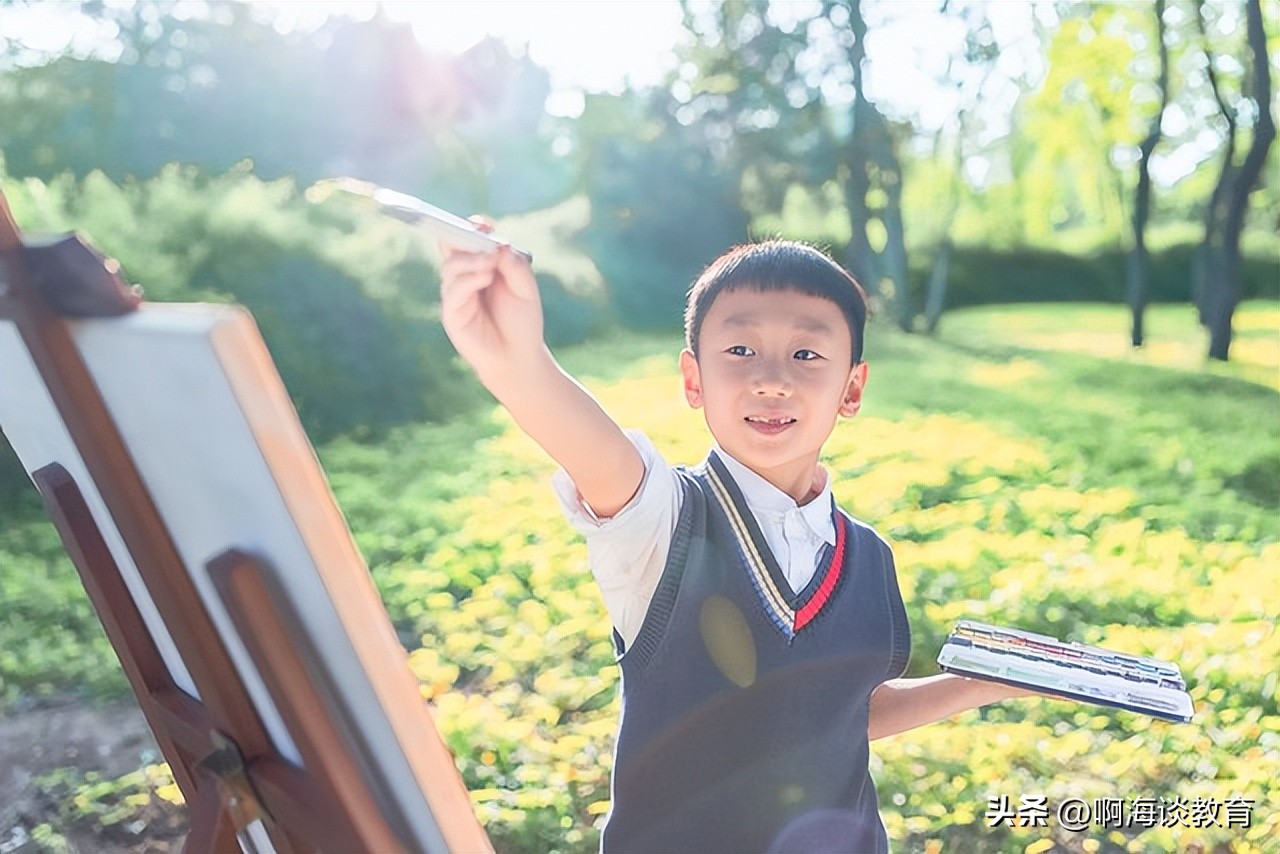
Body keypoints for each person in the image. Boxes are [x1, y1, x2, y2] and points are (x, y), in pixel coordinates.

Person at [438, 235, 1033, 853]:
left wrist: (995, 682)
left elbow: (841, 710)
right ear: (693, 378)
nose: (771, 381)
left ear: (851, 390)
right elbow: (595, 452)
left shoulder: (868, 555)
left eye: (806, 354)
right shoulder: (664, 522)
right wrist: (518, 365)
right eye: (740, 350)